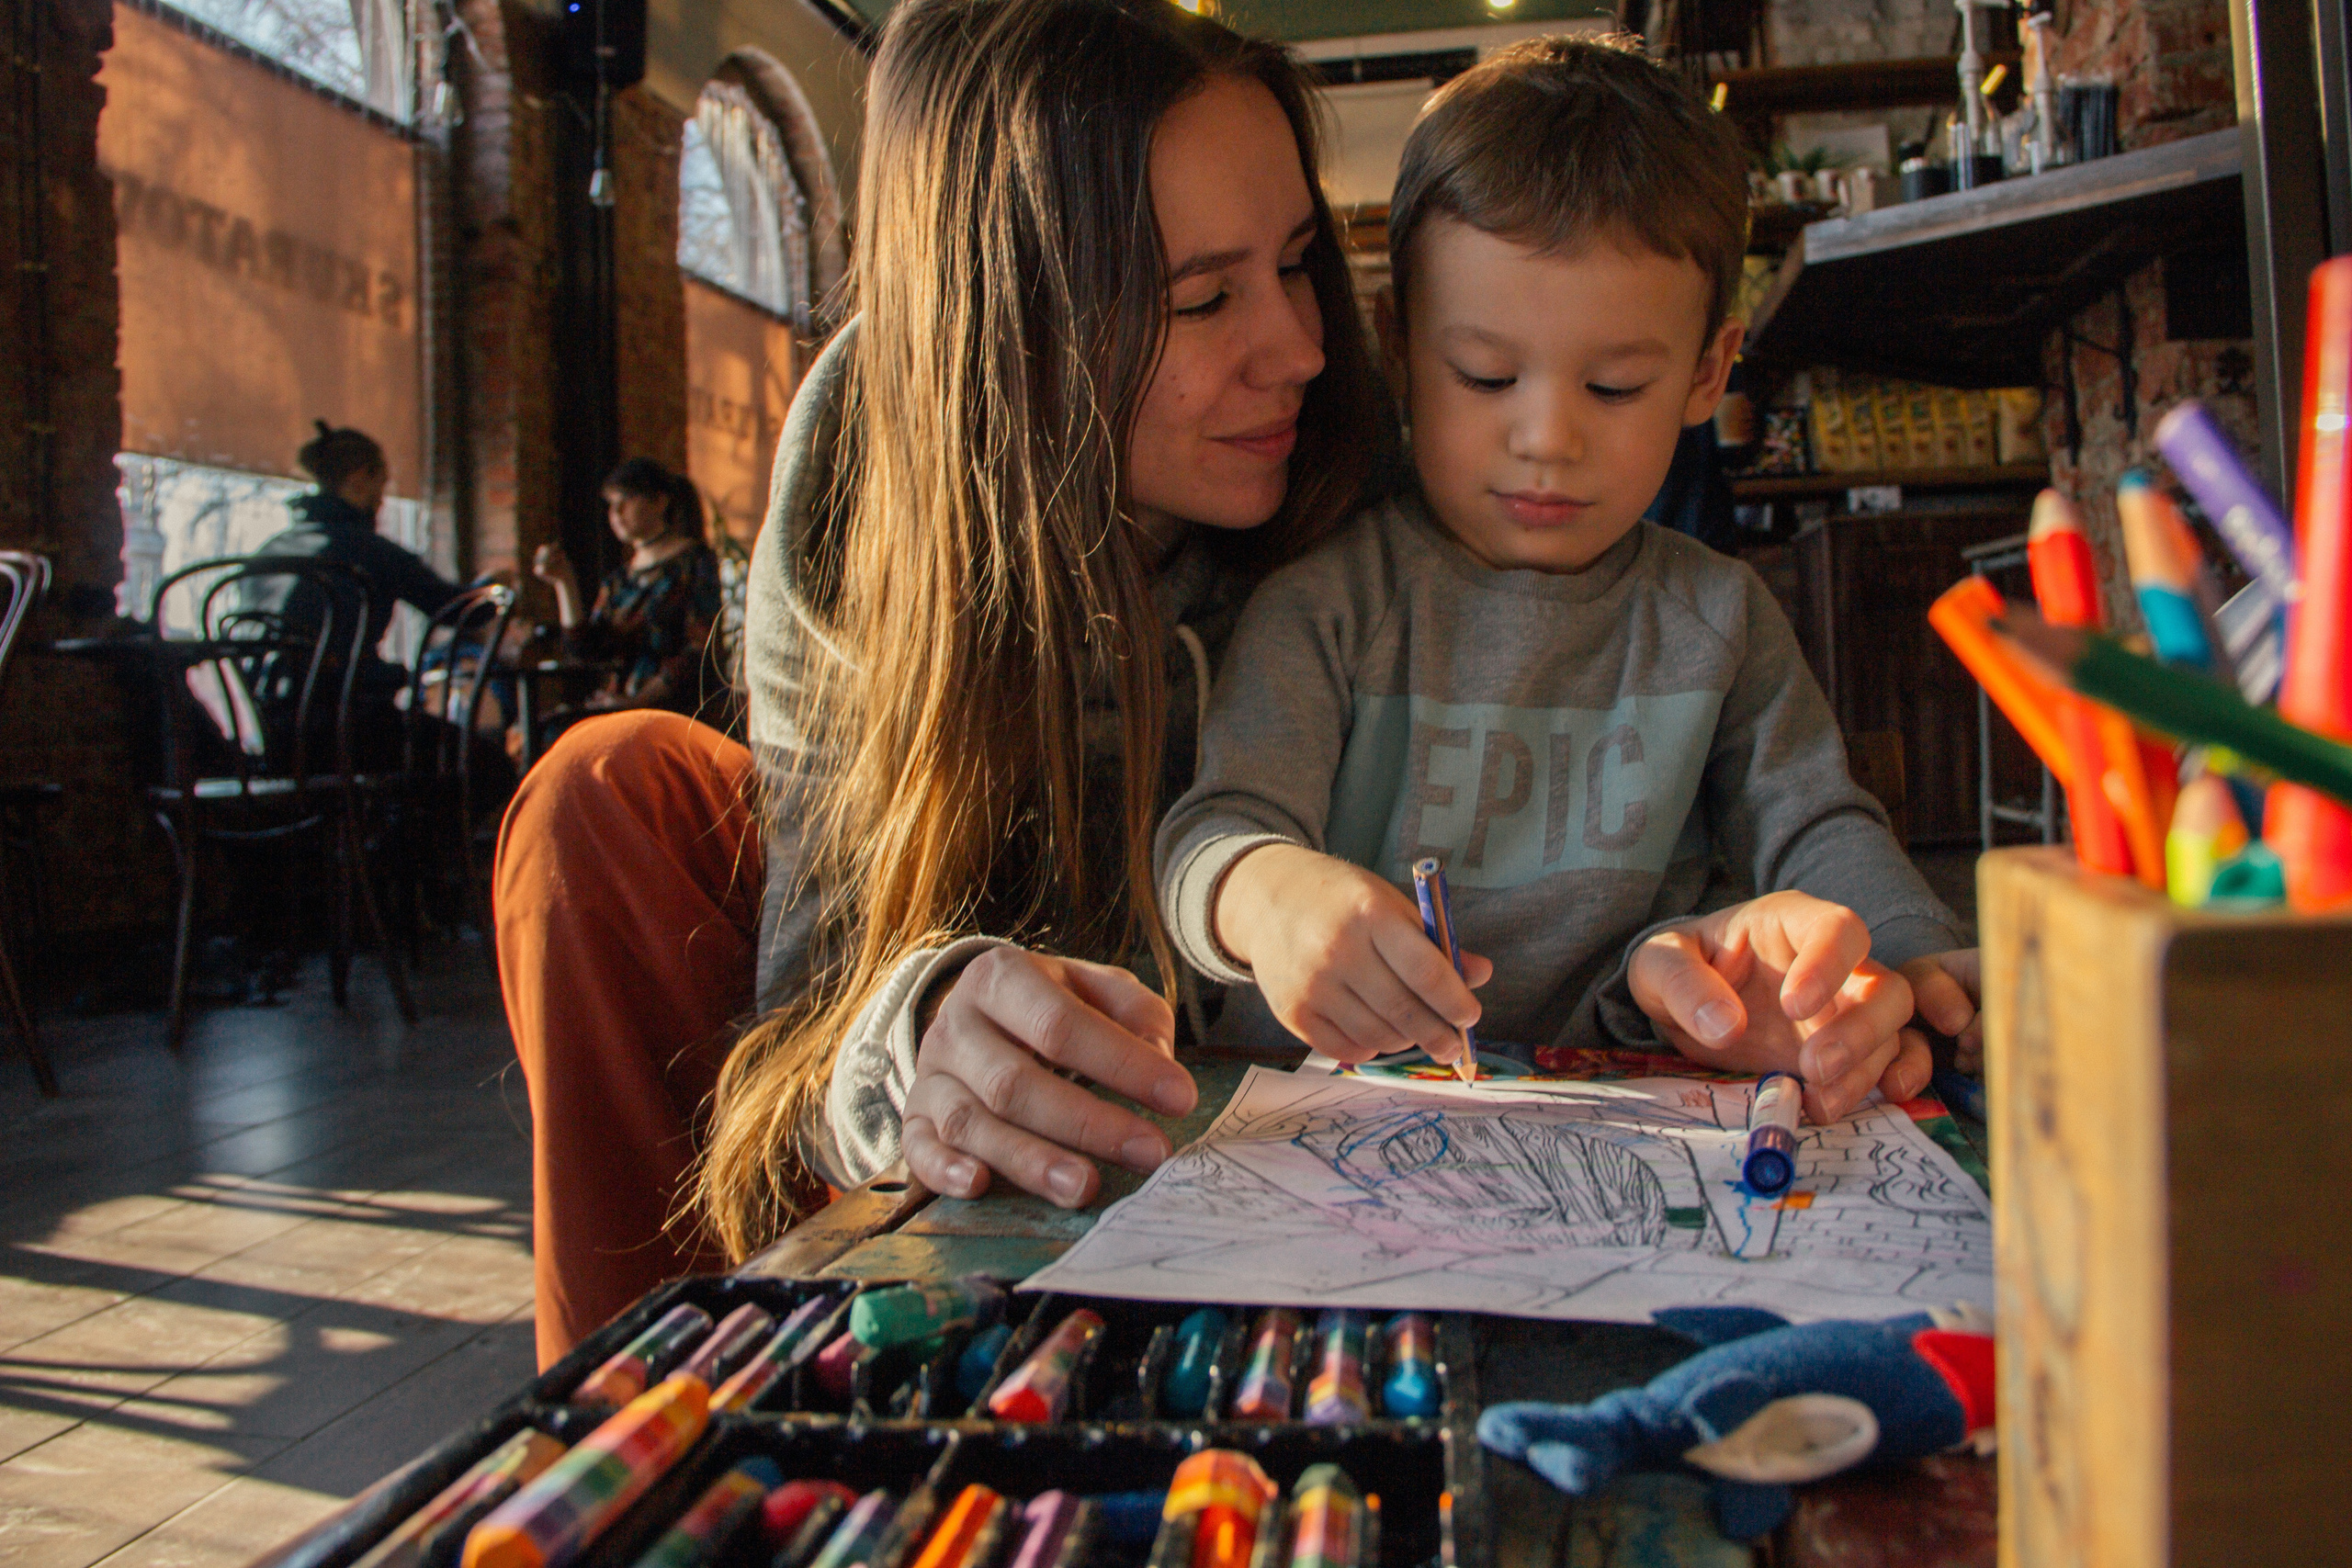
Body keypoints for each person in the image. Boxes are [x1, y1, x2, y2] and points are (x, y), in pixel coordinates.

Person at [493, 0, 1961, 1368]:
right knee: (607, 794)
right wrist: (921, 1027)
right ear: (1021, 329)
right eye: (1203, 299)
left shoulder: (1386, 445)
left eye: (1300, 263)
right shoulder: (866, 472)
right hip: (1055, 1045)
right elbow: (813, 1003)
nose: (1304, 350)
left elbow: (1707, 789)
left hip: (1321, 1111)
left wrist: (1830, 966)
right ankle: (632, 1425)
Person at [1157, 38, 1983, 1123]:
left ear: (1705, 374)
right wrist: (1265, 894)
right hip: (1328, 1117)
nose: (1546, 438)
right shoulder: (1326, 604)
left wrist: (1918, 957)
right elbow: (1213, 829)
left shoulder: (1719, 616)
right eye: (1485, 375)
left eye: (1614, 386)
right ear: (1398, 345)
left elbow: (1814, 825)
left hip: (1632, 1106)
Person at [258, 423, 461, 719]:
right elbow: (454, 610)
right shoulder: (371, 551)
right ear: (358, 480)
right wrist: (495, 589)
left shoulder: (269, 551)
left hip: (271, 721)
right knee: (474, 747)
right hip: (348, 720)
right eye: (382, 485)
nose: (382, 500)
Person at [528, 459, 730, 733]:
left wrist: (637, 703)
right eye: (611, 504)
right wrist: (564, 582)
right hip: (622, 708)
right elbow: (586, 650)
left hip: (679, 714)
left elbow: (700, 651)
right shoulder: (620, 580)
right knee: (545, 731)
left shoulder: (696, 563)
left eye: (626, 500)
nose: (616, 513)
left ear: (660, 502)